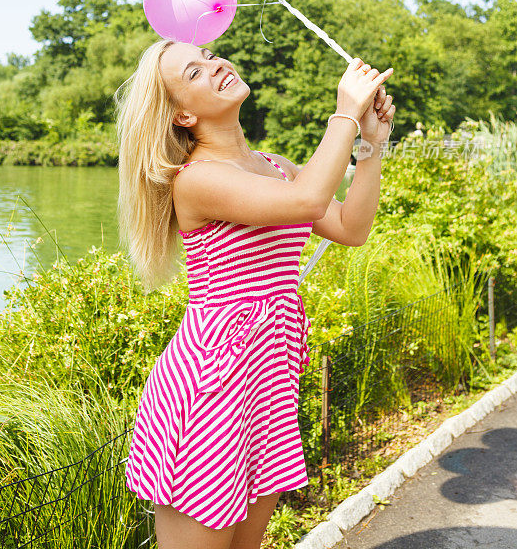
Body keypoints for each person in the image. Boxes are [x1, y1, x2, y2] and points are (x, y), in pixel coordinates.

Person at [114, 40, 395, 549]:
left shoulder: (277, 166)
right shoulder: (196, 180)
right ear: (180, 115)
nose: (217, 64)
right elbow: (309, 201)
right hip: (208, 394)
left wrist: (371, 142)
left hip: (267, 389)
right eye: (194, 72)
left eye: (211, 55)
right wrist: (345, 114)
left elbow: (350, 226)